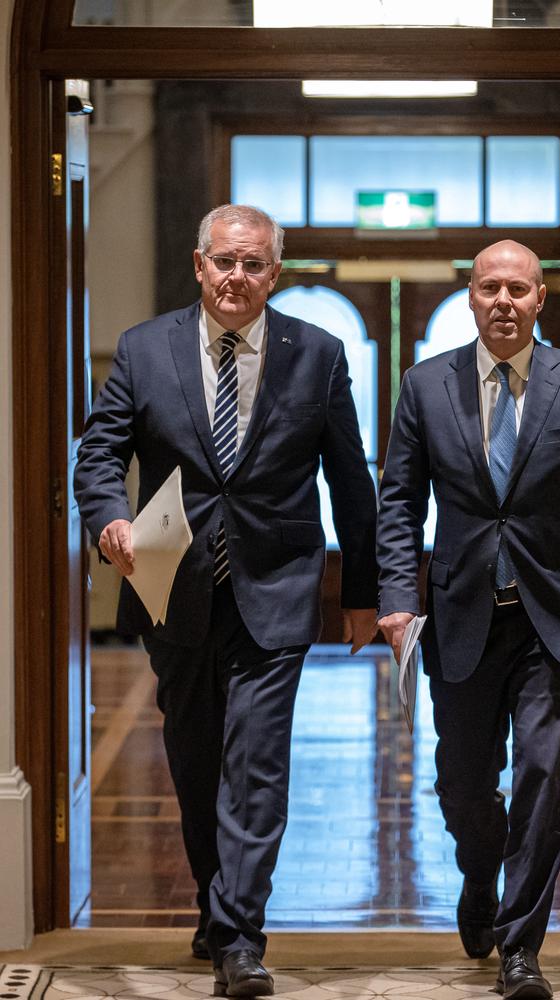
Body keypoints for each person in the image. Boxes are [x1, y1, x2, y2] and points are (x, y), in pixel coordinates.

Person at [74, 204, 378, 996]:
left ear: (275, 273)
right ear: (199, 265)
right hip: (171, 585)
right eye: (224, 262)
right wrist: (109, 514)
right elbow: (100, 449)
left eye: (253, 265)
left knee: (257, 763)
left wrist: (365, 596)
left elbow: (351, 479)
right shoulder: (145, 349)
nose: (236, 277)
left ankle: (241, 936)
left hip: (276, 587)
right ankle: (218, 905)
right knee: (197, 760)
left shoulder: (317, 354)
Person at [377, 240, 560, 1000]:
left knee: (543, 781)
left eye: (516, 289)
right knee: (462, 785)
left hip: (553, 616)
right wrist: (399, 594)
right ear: (470, 296)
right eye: (489, 286)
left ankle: (520, 949)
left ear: (538, 300)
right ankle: (477, 875)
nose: (502, 300)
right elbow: (399, 501)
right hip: (460, 611)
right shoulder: (426, 385)